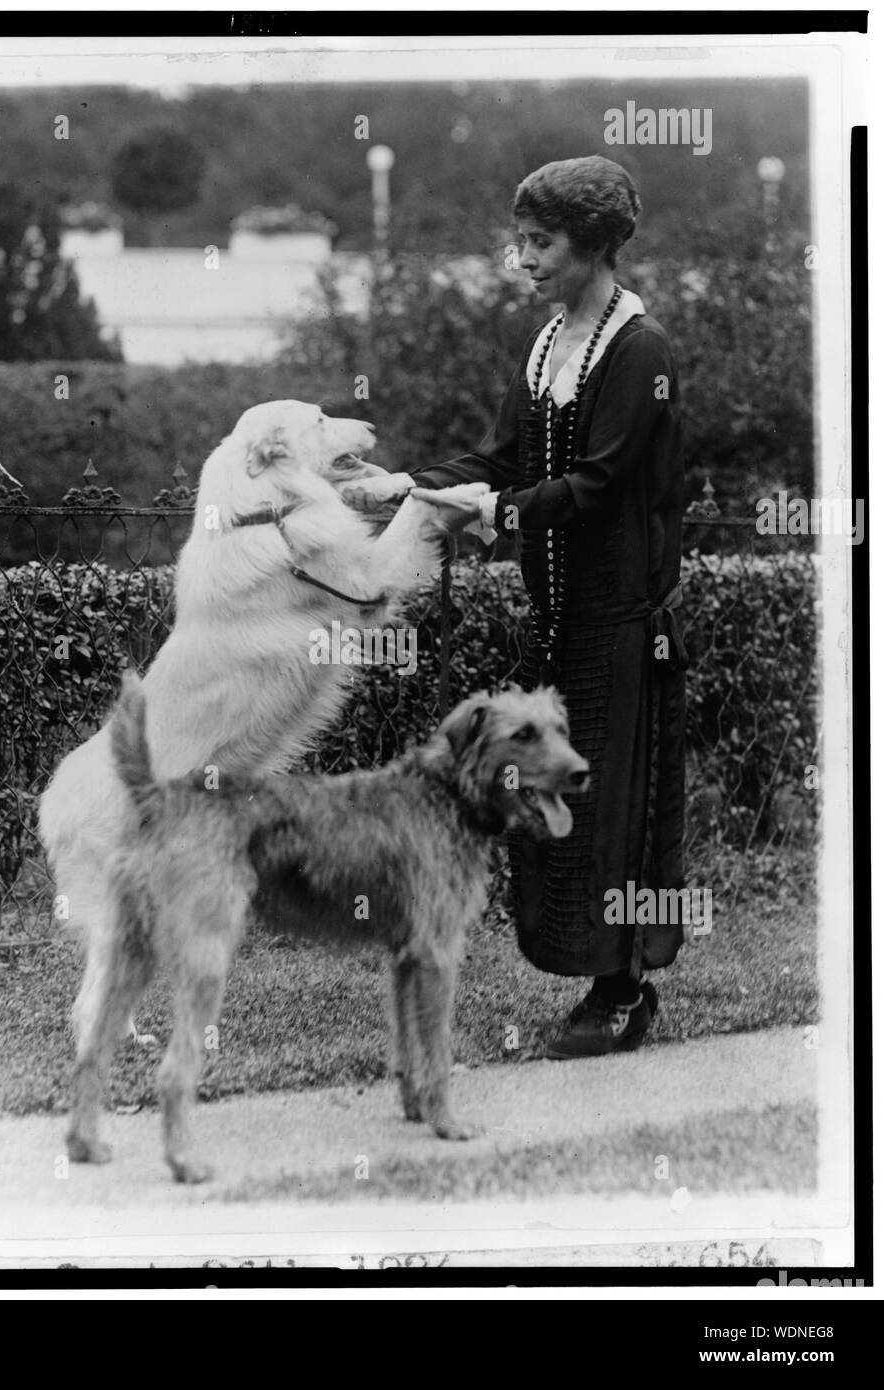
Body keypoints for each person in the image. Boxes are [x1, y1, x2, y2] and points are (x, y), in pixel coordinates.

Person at [348, 155, 688, 1058]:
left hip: (620, 621)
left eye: (539, 243)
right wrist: (408, 485)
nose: (521, 258)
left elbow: (599, 484)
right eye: (521, 241)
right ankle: (601, 984)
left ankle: (622, 995)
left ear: (592, 245)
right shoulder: (547, 344)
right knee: (553, 798)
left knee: (609, 800)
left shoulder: (638, 350)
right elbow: (503, 459)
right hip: (563, 617)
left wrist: (495, 513)